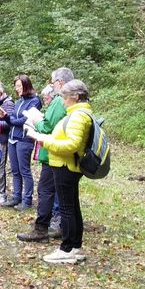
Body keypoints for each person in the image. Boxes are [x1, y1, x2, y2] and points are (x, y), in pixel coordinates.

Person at [25, 80, 93, 264]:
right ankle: (75, 246)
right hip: (66, 165)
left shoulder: (78, 116)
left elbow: (71, 145)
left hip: (65, 165)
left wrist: (41, 138)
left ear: (75, 97)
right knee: (72, 207)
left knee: (67, 208)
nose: (62, 101)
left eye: (64, 97)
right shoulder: (77, 113)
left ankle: (67, 249)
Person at [17, 67, 75, 242]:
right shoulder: (70, 100)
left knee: (46, 190)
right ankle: (60, 227)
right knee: (61, 191)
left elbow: (48, 126)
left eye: (53, 81)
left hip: (53, 152)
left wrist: (36, 122)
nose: (52, 84)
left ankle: (42, 229)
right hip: (62, 152)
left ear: (60, 82)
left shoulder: (59, 101)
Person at [4, 75, 41, 211]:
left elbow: (25, 120)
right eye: (16, 86)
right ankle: (16, 197)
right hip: (12, 138)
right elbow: (13, 117)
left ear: (26, 85)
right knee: (15, 170)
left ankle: (27, 200)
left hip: (25, 139)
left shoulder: (35, 101)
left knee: (24, 170)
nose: (17, 88)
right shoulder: (19, 101)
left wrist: (9, 119)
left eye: (19, 86)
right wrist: (10, 119)